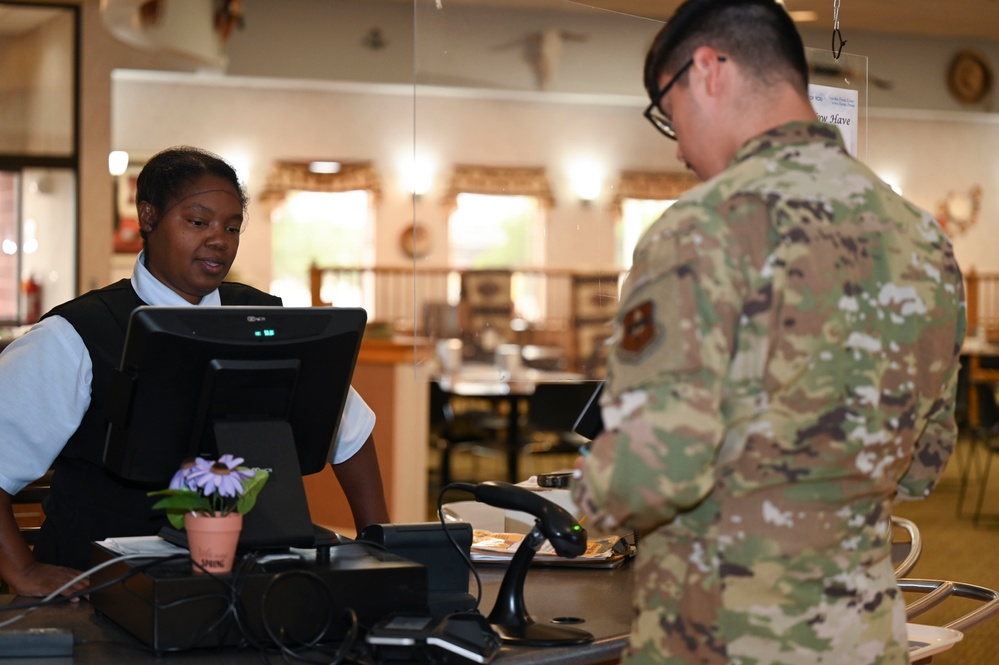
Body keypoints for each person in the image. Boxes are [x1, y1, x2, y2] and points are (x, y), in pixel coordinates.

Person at [570, 2, 965, 663]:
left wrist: (580, 496)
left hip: (719, 636)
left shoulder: (698, 228)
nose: (675, 145)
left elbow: (651, 470)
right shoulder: (922, 239)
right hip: (862, 635)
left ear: (707, 70)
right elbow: (924, 464)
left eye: (667, 113)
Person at [0, 146, 389, 599]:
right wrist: (21, 570)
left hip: (246, 583)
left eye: (232, 226)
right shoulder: (76, 334)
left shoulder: (266, 318)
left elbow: (352, 431)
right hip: (104, 587)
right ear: (148, 217)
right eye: (198, 222)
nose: (219, 240)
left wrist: (380, 546)